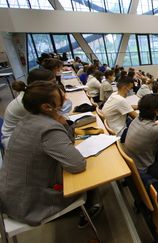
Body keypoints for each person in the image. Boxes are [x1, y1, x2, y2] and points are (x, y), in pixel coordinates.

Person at [0, 81, 101, 227]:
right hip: (29, 205)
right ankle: (89, 208)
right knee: (91, 179)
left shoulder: (27, 120)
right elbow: (77, 164)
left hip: (11, 197)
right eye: (62, 97)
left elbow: (68, 141)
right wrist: (62, 123)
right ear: (47, 107)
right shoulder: (48, 128)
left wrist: (63, 122)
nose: (66, 98)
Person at [1, 69, 56, 149]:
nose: (56, 86)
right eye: (53, 83)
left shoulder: (33, 95)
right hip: (13, 142)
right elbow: (50, 121)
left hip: (25, 133)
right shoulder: (27, 101)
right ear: (40, 86)